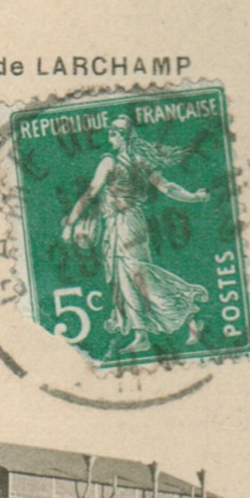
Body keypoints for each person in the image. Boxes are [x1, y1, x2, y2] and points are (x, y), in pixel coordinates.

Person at [60, 115, 212, 355]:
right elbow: (168, 188)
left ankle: (187, 312)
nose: (111, 134)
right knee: (128, 278)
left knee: (137, 274)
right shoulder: (141, 162)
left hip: (124, 224)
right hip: (129, 224)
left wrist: (70, 223)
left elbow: (90, 193)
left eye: (116, 131)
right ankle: (142, 335)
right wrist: (193, 196)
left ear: (126, 137)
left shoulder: (109, 162)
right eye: (111, 129)